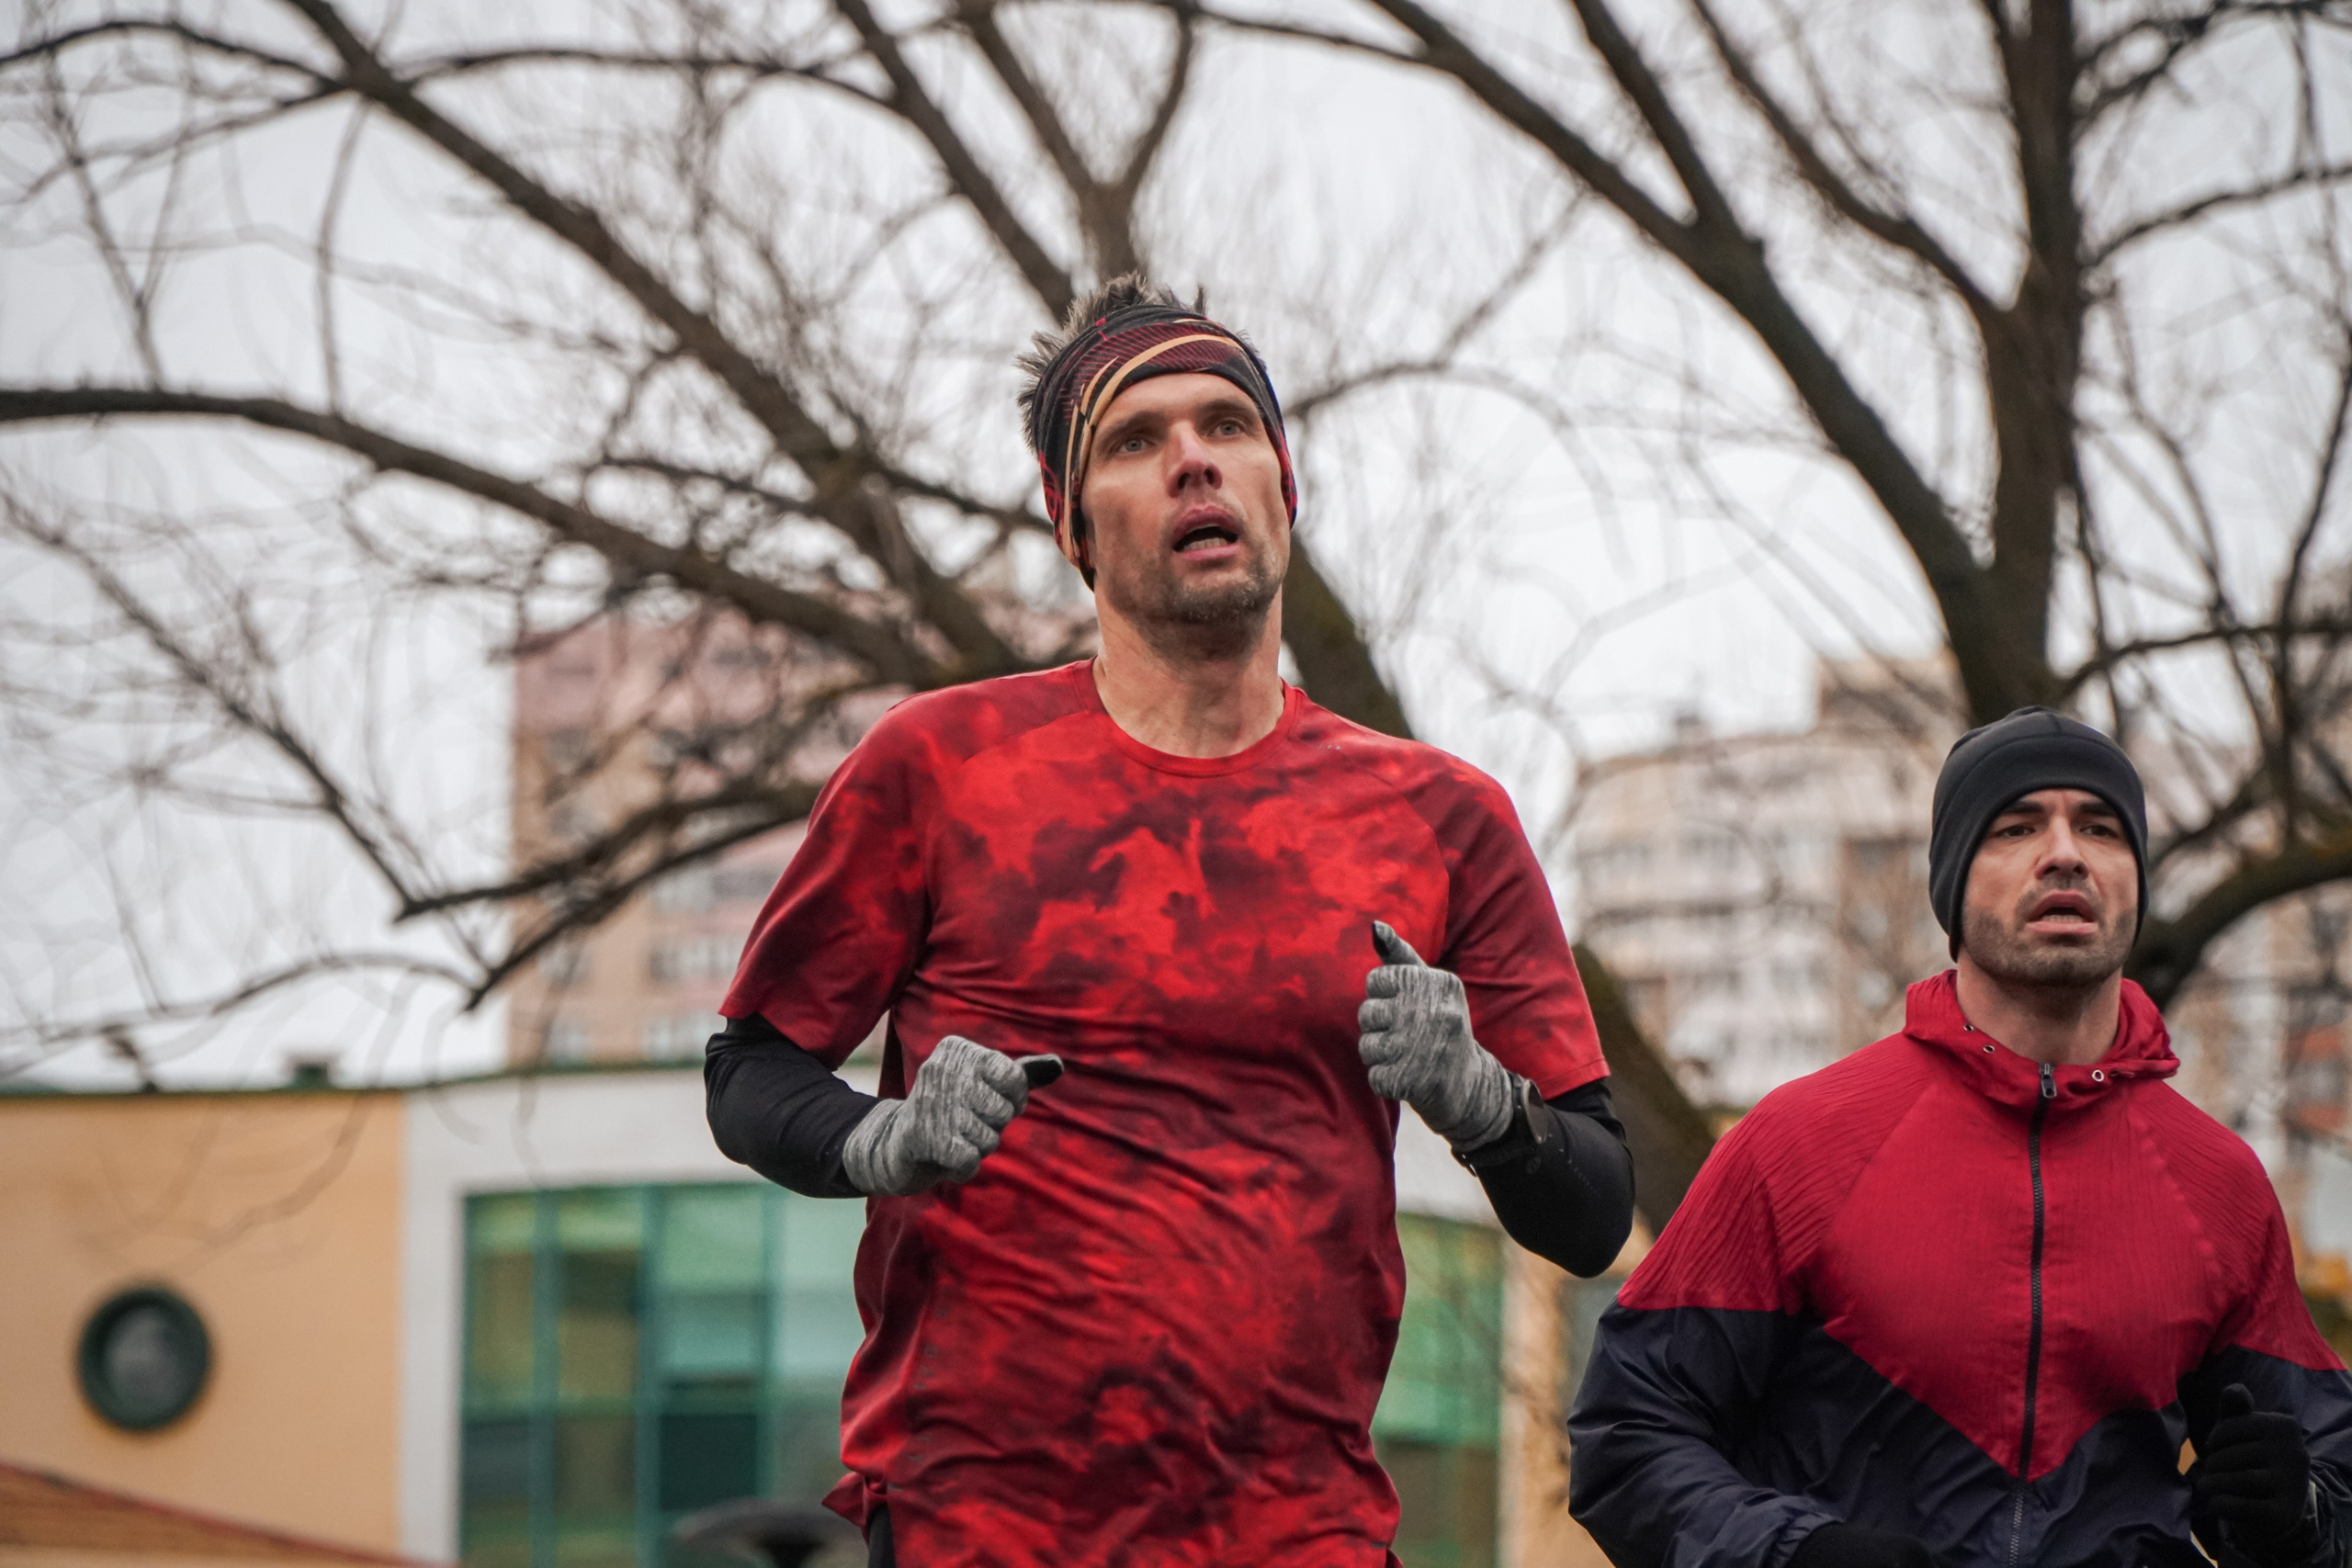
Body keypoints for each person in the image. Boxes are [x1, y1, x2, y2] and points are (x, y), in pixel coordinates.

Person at [704, 276, 1635, 1567]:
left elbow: (1593, 1206)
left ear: (1282, 487)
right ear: (1074, 523)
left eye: (1227, 424)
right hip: (982, 1529)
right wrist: (884, 1136)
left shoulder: (1441, 815)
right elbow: (748, 1067)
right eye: (1136, 441)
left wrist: (1477, 1094)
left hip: (1302, 1532)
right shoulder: (938, 766)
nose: (1194, 457)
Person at [1567, 706, 2352, 1568]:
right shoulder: (1797, 1144)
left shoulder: (2220, 1185)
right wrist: (1796, 1552)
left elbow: (2333, 1483)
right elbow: (1628, 1434)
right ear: (1951, 885)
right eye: (2017, 827)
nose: (2065, 852)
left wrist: (2300, 1520)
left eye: (2100, 827)